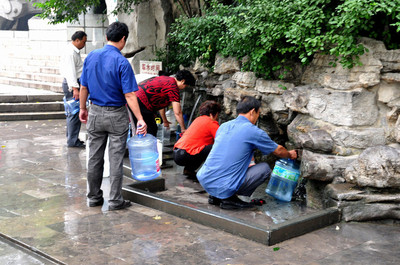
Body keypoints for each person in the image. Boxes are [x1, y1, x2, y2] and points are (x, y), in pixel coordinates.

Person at [79, 22, 147, 211]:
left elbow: (83, 87)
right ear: (123, 39)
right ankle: (115, 200)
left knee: (94, 157)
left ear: (107, 36)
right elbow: (130, 95)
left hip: (94, 111)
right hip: (116, 114)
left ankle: (93, 197)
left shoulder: (91, 56)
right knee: (115, 158)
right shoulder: (122, 62)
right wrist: (140, 118)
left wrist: (83, 108)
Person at [197, 96, 297, 210]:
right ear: (252, 111)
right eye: (258, 113)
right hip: (224, 185)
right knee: (264, 168)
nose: (258, 117)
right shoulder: (253, 131)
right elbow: (278, 150)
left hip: (205, 179)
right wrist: (290, 154)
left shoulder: (224, 126)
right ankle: (229, 199)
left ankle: (215, 196)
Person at [130, 70, 196, 137]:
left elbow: (161, 106)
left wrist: (165, 121)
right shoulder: (173, 87)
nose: (184, 88)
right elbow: (178, 112)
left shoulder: (167, 79)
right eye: (186, 85)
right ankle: (142, 146)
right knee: (146, 131)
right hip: (139, 102)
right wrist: (183, 129)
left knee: (152, 128)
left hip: (137, 100)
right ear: (183, 81)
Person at [173, 100, 221, 181]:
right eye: (217, 115)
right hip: (186, 155)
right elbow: (222, 140)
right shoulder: (211, 122)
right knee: (218, 147)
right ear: (212, 114)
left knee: (199, 148)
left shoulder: (197, 119)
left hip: (177, 153)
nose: (217, 118)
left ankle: (189, 170)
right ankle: (212, 175)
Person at [60, 31, 87, 147]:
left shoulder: (73, 51)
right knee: (74, 112)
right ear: (77, 40)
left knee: (73, 112)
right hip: (73, 84)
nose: (84, 44)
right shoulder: (70, 53)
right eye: (83, 41)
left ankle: (72, 138)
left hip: (74, 83)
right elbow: (71, 72)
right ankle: (72, 140)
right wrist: (75, 89)